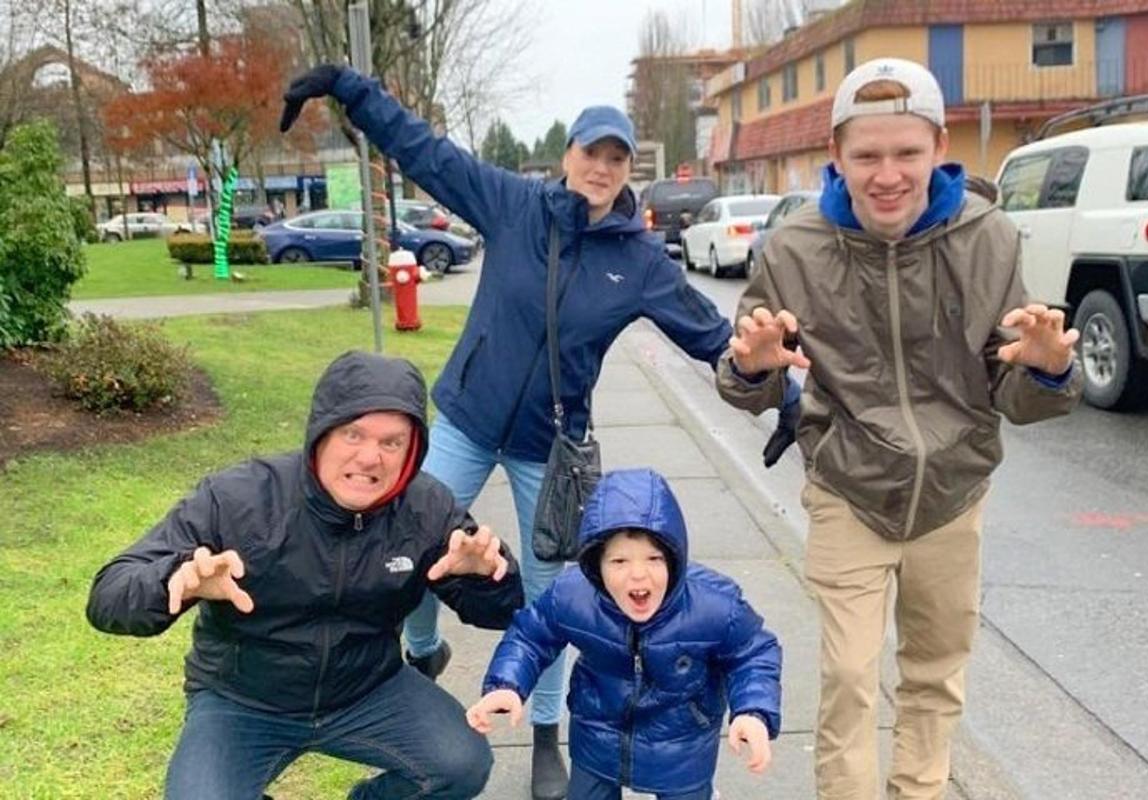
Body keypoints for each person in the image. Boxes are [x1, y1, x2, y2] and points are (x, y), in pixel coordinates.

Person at [278, 65, 800, 799]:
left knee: (555, 593)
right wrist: (346, 87)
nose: (601, 167)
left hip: (549, 450)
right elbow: (425, 151)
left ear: (628, 169)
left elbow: (714, 338)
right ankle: (422, 650)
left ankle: (548, 732)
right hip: (464, 416)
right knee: (410, 543)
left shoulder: (641, 260)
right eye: (591, 151)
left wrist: (787, 395)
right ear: (568, 155)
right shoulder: (513, 204)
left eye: (616, 158)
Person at [715, 58, 1084, 800]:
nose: (888, 175)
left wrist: (1045, 371)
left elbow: (1009, 385)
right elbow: (745, 379)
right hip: (850, 486)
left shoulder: (989, 239)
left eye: (907, 154)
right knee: (850, 675)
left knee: (935, 671)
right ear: (838, 158)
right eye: (868, 156)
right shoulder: (794, 249)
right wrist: (752, 368)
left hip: (954, 489)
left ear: (939, 148)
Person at [86, 350, 524, 800]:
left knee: (463, 764)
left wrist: (487, 576)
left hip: (367, 688)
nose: (371, 457)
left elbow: (502, 611)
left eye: (392, 442)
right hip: (243, 699)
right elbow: (108, 596)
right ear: (321, 432)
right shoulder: (239, 498)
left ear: (411, 450)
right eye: (353, 434)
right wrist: (171, 581)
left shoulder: (426, 506)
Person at [466, 468, 782, 800]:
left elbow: (753, 652)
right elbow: (531, 635)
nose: (638, 575)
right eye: (619, 561)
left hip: (682, 742)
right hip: (597, 730)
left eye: (654, 558)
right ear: (595, 564)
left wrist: (753, 710)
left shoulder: (713, 604)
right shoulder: (573, 594)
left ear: (675, 559)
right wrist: (507, 684)